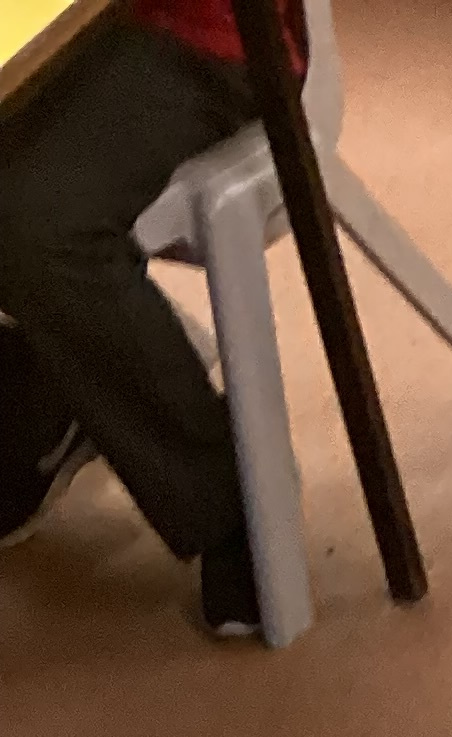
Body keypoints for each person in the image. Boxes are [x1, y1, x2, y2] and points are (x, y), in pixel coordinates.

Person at [0, 0, 294, 635]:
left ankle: (230, 499)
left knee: (34, 228)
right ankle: (44, 380)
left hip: (204, 37)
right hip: (65, 29)